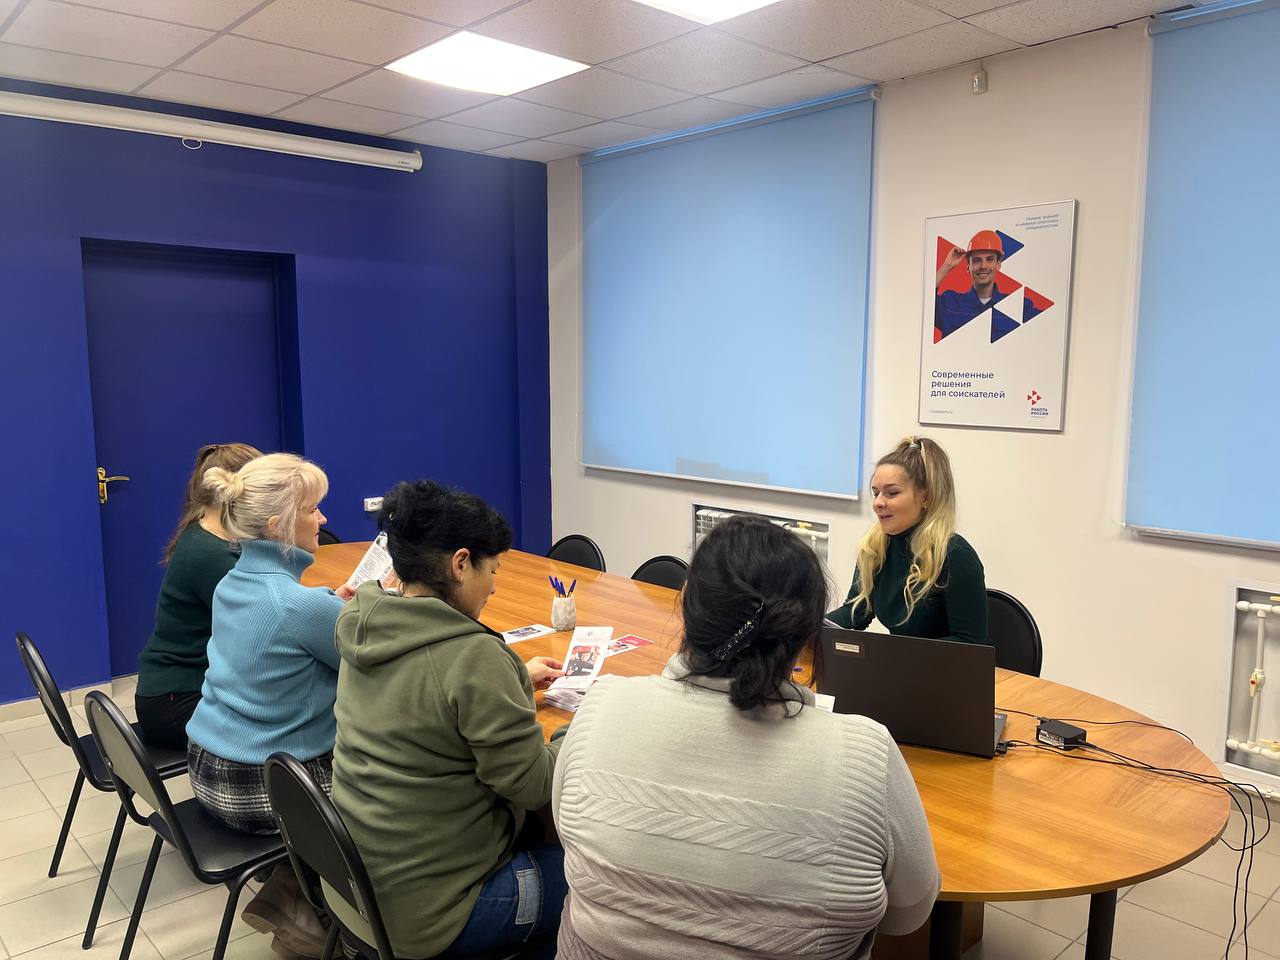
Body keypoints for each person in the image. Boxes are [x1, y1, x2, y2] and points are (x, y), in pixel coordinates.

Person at [552, 514, 940, 959]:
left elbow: (569, 837)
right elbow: (909, 914)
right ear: (806, 635)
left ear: (688, 606)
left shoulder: (601, 706)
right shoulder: (865, 756)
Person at [332, 480, 567, 960]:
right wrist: (578, 731)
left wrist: (512, 682)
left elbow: (426, 699)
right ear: (460, 564)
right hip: (435, 915)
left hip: (354, 888)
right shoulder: (473, 657)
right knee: (603, 880)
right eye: (492, 570)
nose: (495, 586)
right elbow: (536, 787)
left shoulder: (363, 621)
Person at [185, 453, 348, 957]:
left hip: (207, 766)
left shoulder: (231, 583)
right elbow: (375, 669)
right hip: (263, 785)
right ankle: (323, 914)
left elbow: (285, 625)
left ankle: (290, 894)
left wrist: (330, 606)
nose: (322, 519)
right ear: (278, 525)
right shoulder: (300, 605)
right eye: (313, 509)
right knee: (394, 792)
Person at [135, 443, 262, 749]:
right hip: (177, 703)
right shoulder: (211, 554)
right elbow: (266, 624)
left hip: (170, 691)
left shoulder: (204, 532)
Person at [828, 436, 988, 645]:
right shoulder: (875, 547)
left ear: (926, 497)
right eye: (876, 493)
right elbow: (856, 611)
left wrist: (898, 657)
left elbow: (970, 643)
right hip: (903, 661)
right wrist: (809, 627)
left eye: (892, 493)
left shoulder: (955, 555)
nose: (878, 503)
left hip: (945, 664)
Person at [935, 229, 1009, 339]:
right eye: (977, 260)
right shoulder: (949, 303)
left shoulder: (1015, 305)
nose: (983, 266)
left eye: (989, 259)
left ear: (998, 265)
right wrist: (947, 266)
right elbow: (920, 304)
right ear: (968, 267)